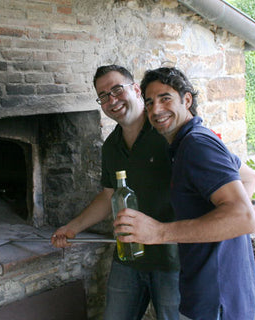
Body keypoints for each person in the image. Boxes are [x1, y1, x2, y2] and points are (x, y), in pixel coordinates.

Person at [113, 67, 255, 320]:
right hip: (216, 293)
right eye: (149, 103)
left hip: (217, 299)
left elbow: (245, 218)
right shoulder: (191, 141)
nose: (155, 110)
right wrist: (224, 215)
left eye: (165, 98)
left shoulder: (196, 145)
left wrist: (158, 232)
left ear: (187, 100)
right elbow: (248, 178)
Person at [51, 65, 181, 320]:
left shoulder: (166, 130)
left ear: (135, 90)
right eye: (103, 95)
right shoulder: (111, 146)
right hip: (128, 256)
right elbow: (109, 195)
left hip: (172, 260)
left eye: (117, 90)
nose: (112, 100)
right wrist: (72, 227)